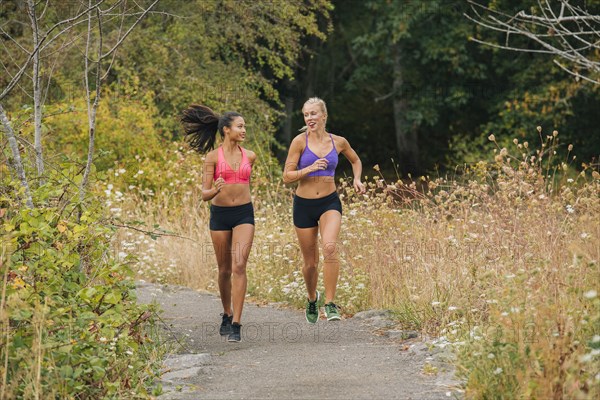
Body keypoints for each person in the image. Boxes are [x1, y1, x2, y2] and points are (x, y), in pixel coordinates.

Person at [282, 97, 366, 323]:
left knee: (330, 247)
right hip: (304, 205)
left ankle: (330, 304)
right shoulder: (299, 142)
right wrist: (308, 168)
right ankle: (312, 298)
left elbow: (355, 160)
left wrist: (357, 179)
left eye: (313, 114)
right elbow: (287, 176)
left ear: (324, 116)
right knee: (310, 263)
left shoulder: (338, 142)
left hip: (329, 202)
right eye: (306, 115)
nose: (309, 118)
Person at [180, 104, 256, 342]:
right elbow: (203, 194)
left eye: (244, 126)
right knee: (224, 270)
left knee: (239, 266)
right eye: (240, 126)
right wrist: (215, 189)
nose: (244, 130)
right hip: (220, 215)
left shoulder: (250, 156)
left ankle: (237, 324)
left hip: (244, 213)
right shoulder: (212, 157)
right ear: (226, 130)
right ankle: (226, 312)